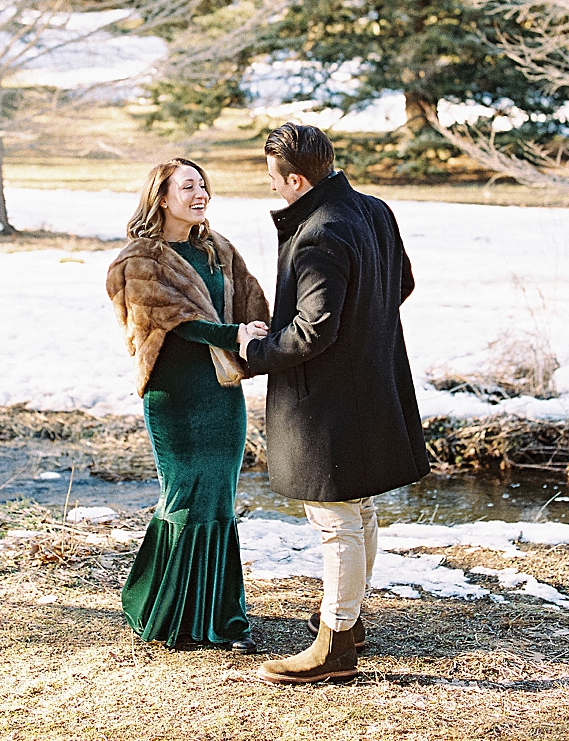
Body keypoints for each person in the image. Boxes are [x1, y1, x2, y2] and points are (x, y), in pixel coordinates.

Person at [239, 123, 427, 684]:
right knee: (359, 505)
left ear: (296, 179)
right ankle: (351, 621)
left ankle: (337, 642)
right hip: (372, 382)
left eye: (273, 178)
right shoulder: (374, 210)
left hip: (326, 400)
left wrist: (255, 349)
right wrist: (365, 332)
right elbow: (402, 284)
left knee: (335, 516)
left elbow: (312, 331)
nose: (271, 188)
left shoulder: (318, 232)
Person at [105, 158, 271, 652]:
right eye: (187, 187)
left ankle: (224, 618)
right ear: (161, 197)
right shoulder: (140, 260)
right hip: (174, 394)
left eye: (203, 185)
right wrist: (232, 335)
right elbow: (172, 323)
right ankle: (166, 611)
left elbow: (251, 303)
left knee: (219, 499)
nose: (200, 194)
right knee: (183, 496)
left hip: (222, 394)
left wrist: (269, 341)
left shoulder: (218, 250)